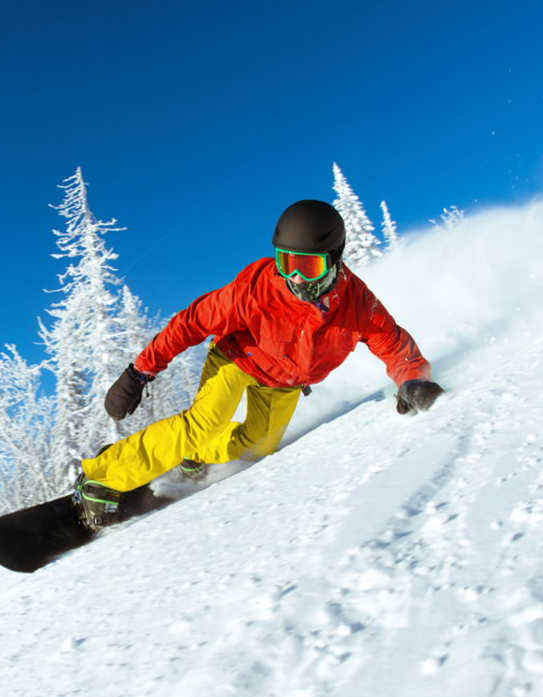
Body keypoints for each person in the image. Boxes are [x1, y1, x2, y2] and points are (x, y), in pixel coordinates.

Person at [73, 199, 444, 531]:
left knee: (259, 446)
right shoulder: (257, 289)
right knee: (203, 423)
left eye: (308, 267)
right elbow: (191, 323)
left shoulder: (358, 304)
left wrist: (411, 380)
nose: (295, 278)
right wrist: (139, 372)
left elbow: (394, 344)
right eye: (287, 263)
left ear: (335, 258)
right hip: (238, 359)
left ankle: (195, 456)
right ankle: (102, 478)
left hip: (284, 382)